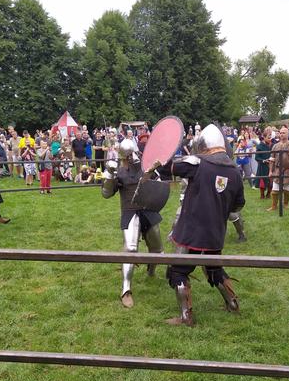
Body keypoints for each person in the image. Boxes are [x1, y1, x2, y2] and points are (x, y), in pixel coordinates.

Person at [162, 124, 245, 326]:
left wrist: (162, 150)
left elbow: (166, 167)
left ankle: (186, 317)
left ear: (203, 145)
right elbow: (238, 204)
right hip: (215, 232)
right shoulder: (234, 171)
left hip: (191, 232)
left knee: (178, 272)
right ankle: (232, 304)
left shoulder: (197, 163)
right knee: (214, 269)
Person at [101, 138, 163, 309]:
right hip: (130, 212)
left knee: (157, 249)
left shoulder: (146, 167)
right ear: (124, 157)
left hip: (148, 210)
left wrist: (152, 172)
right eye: (129, 155)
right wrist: (110, 176)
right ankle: (126, 289)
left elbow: (159, 186)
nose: (133, 157)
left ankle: (151, 271)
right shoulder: (119, 172)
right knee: (130, 249)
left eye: (134, 153)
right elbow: (106, 194)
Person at [267, 126, 289, 211]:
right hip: (277, 170)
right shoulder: (275, 146)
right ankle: (274, 206)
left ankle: (285, 204)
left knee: (287, 189)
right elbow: (272, 160)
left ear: (288, 134)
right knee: (275, 190)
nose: (281, 134)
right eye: (280, 133)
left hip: (288, 170)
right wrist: (270, 171)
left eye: (283, 133)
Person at [254, 128, 273, 199]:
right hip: (262, 167)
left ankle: (268, 194)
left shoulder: (272, 145)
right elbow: (257, 158)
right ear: (264, 137)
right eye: (268, 137)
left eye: (270, 137)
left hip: (271, 166)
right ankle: (262, 195)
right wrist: (264, 160)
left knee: (271, 181)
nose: (270, 139)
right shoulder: (260, 146)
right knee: (262, 182)